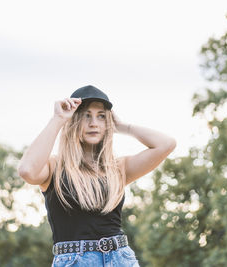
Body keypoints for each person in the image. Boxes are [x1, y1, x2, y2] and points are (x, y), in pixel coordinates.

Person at [17, 85, 176, 267]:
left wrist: (122, 127)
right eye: (86, 115)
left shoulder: (118, 168)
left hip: (121, 259)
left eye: (101, 116)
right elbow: (27, 170)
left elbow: (166, 144)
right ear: (74, 120)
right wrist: (58, 119)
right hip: (75, 261)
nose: (94, 123)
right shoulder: (54, 167)